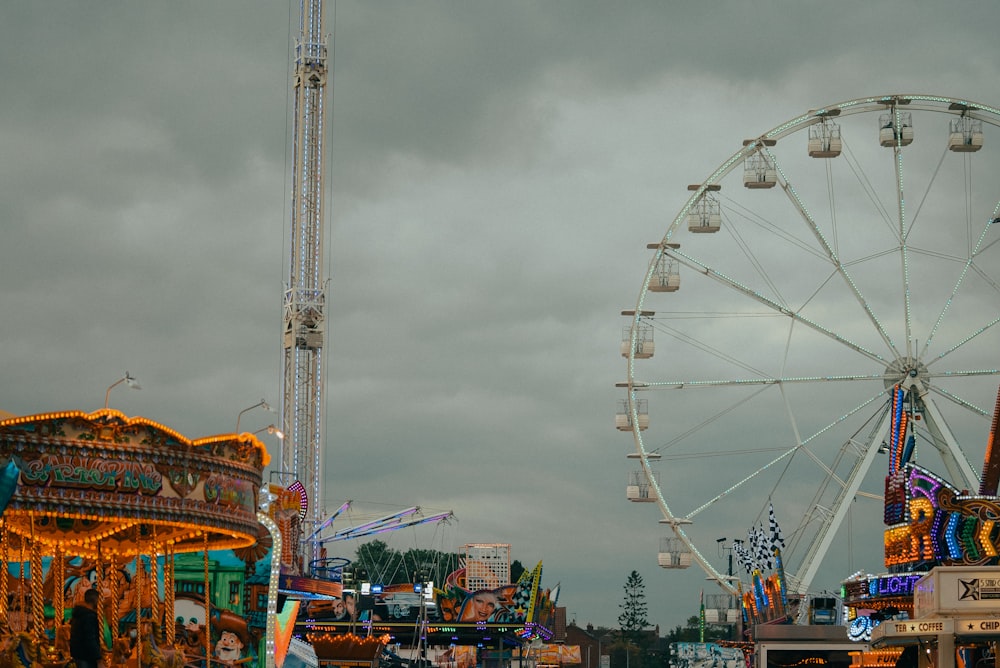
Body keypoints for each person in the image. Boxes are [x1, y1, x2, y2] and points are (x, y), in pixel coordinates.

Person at [70, 587, 105, 668]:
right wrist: (98, 658)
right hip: (87, 656)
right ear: (96, 600)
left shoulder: (78, 615)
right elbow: (90, 638)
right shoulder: (89, 616)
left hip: (78, 654)